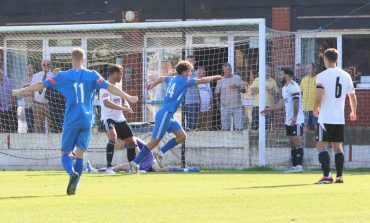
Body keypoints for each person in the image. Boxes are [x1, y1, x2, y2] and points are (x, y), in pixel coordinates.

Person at [12, 48, 138, 195]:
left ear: (71, 60)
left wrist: (19, 91)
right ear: (83, 60)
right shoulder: (92, 74)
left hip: (71, 119)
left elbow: (40, 85)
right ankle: (74, 187)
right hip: (86, 120)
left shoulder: (63, 76)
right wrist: (128, 97)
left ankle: (71, 173)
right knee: (80, 153)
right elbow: (109, 87)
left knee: (65, 153)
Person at [128, 60, 221, 173]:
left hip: (169, 115)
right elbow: (201, 80)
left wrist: (152, 84)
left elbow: (162, 78)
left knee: (182, 136)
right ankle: (135, 163)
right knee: (154, 142)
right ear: (185, 72)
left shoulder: (172, 79)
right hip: (165, 114)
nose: (191, 73)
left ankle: (160, 152)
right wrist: (215, 76)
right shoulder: (184, 80)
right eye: (190, 71)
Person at [313, 48, 357, 184]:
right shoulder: (346, 75)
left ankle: (327, 176)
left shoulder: (322, 75)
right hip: (339, 118)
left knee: (321, 146)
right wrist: (353, 111)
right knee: (337, 147)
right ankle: (339, 177)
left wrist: (315, 108)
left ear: (325, 59)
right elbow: (352, 96)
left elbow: (319, 95)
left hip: (325, 117)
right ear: (336, 59)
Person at [261, 68, 305, 173]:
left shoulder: (294, 86)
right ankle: (294, 166)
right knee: (291, 142)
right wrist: (270, 109)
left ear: (287, 75)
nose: (279, 76)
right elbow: (282, 103)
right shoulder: (284, 88)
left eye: (281, 74)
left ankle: (299, 166)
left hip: (297, 119)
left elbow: (296, 102)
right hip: (288, 120)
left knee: (297, 141)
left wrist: (295, 116)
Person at [99, 64, 137, 174]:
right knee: (113, 138)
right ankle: (109, 168)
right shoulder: (104, 87)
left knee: (130, 141)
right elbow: (107, 103)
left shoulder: (118, 86)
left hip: (120, 118)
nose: (122, 76)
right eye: (121, 74)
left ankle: (132, 168)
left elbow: (123, 99)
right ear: (115, 74)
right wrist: (122, 108)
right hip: (108, 118)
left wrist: (127, 106)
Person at [215, 62, 246, 131]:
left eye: (228, 69)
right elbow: (216, 92)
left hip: (237, 106)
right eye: (225, 69)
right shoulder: (220, 80)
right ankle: (226, 141)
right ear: (223, 70)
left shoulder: (237, 77)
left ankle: (240, 141)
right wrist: (217, 103)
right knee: (225, 128)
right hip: (225, 106)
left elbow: (244, 91)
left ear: (231, 69)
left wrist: (237, 87)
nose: (227, 71)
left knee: (239, 127)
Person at [250, 66, 279, 130]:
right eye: (266, 70)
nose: (267, 72)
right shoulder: (257, 80)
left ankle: (266, 139)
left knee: (267, 126)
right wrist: (256, 90)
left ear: (270, 72)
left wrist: (270, 91)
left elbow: (276, 95)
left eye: (268, 71)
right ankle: (255, 139)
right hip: (257, 106)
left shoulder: (273, 81)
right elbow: (251, 92)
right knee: (255, 126)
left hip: (269, 106)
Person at [31, 59, 53, 133]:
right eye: (44, 64)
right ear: (41, 65)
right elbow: (31, 88)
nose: (46, 66)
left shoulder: (53, 76)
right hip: (38, 104)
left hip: (49, 105)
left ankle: (51, 144)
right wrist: (33, 101)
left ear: (50, 66)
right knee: (38, 127)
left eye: (48, 65)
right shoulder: (36, 75)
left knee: (51, 126)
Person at [45, 68, 65, 133]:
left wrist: (56, 96)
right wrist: (55, 97)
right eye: (54, 74)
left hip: (62, 110)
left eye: (57, 74)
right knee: (54, 128)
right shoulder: (50, 84)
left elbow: (66, 96)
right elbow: (46, 95)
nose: (55, 76)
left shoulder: (64, 83)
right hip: (52, 110)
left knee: (63, 127)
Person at [184, 55, 200, 130]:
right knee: (190, 125)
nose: (189, 63)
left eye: (191, 61)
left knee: (195, 124)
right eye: (187, 61)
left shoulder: (197, 72)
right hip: (189, 102)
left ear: (194, 62)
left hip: (197, 100)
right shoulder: (184, 73)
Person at [300, 63, 318, 131]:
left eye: (309, 68)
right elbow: (300, 93)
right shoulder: (303, 79)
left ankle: (318, 140)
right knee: (305, 126)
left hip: (315, 109)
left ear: (315, 69)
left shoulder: (319, 79)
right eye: (306, 69)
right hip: (305, 109)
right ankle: (306, 141)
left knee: (316, 126)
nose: (307, 70)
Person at [22, 64, 35, 133]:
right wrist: (32, 92)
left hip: (36, 106)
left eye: (30, 68)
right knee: (29, 126)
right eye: (27, 69)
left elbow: (38, 91)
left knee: (36, 125)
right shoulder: (24, 80)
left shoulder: (36, 78)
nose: (29, 70)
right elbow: (23, 93)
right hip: (27, 106)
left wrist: (28, 91)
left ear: (33, 69)